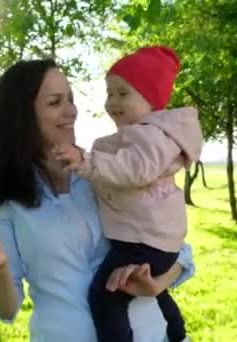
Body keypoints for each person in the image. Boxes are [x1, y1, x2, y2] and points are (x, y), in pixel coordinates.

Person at [0, 58, 196, 342]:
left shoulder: (106, 169)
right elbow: (6, 309)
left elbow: (178, 251)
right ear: (21, 115)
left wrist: (156, 284)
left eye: (71, 99)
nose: (71, 111)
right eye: (55, 102)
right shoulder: (3, 198)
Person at [53, 46, 203, 342]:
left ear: (152, 100)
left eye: (123, 93)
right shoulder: (148, 133)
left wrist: (85, 162)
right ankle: (176, 332)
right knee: (150, 294)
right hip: (154, 241)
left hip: (142, 242)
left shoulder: (149, 134)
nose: (112, 102)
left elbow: (135, 169)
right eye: (110, 93)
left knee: (106, 295)